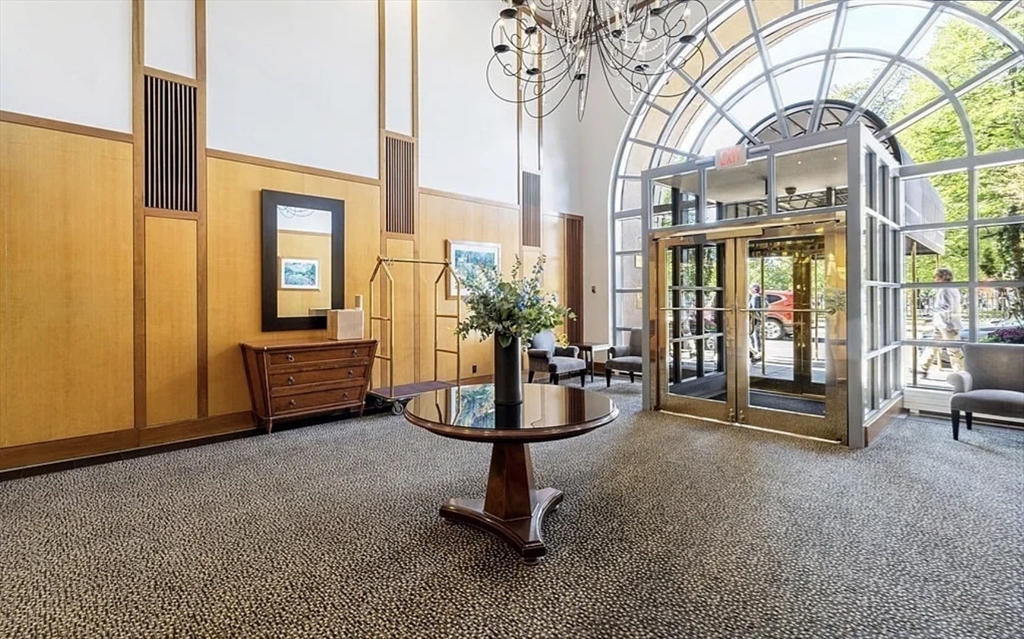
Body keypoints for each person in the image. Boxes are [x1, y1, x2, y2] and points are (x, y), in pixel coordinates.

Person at [917, 267, 963, 375]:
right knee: (934, 345)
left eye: (936, 277)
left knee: (953, 350)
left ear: (942, 277)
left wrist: (930, 310)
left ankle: (961, 372)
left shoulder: (945, 289)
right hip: (942, 323)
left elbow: (947, 306)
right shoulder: (951, 288)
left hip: (947, 324)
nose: (934, 279)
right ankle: (922, 367)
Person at [748, 283, 763, 361]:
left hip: (755, 319)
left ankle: (756, 352)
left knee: (754, 335)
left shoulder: (755, 297)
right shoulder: (760, 297)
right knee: (755, 335)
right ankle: (756, 351)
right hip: (757, 318)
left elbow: (754, 309)